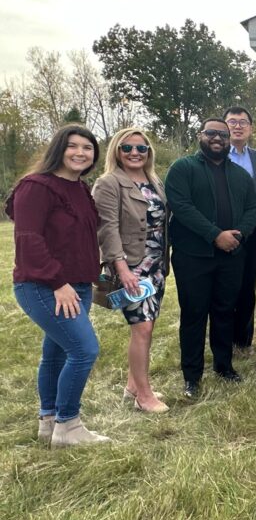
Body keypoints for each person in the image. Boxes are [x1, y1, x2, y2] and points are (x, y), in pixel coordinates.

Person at [6, 125, 110, 446]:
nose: (81, 153)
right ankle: (69, 425)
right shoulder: (36, 186)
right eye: (73, 146)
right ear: (58, 150)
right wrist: (58, 282)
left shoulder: (81, 189)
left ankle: (48, 420)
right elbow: (29, 240)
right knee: (83, 349)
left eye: (88, 148)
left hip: (77, 284)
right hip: (43, 285)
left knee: (55, 353)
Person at [165, 117, 256, 398]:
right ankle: (192, 375)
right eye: (211, 133)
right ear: (200, 136)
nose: (217, 138)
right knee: (194, 314)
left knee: (224, 311)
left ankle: (224, 365)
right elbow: (181, 206)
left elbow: (253, 208)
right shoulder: (183, 168)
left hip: (231, 255)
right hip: (193, 256)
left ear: (229, 140)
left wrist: (239, 235)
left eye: (223, 134)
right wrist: (215, 234)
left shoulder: (241, 175)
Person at [93, 128, 169, 414]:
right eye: (127, 148)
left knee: (147, 326)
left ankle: (132, 386)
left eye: (141, 148)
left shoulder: (154, 181)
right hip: (132, 267)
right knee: (142, 327)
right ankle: (144, 396)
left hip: (156, 265)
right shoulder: (109, 183)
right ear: (117, 151)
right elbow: (107, 227)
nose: (135, 153)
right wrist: (121, 267)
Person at [223, 106, 256, 352]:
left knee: (248, 285)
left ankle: (243, 340)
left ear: (250, 128)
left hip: (252, 231)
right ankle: (223, 338)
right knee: (226, 287)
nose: (238, 126)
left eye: (243, 122)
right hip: (222, 232)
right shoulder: (215, 155)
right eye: (232, 121)